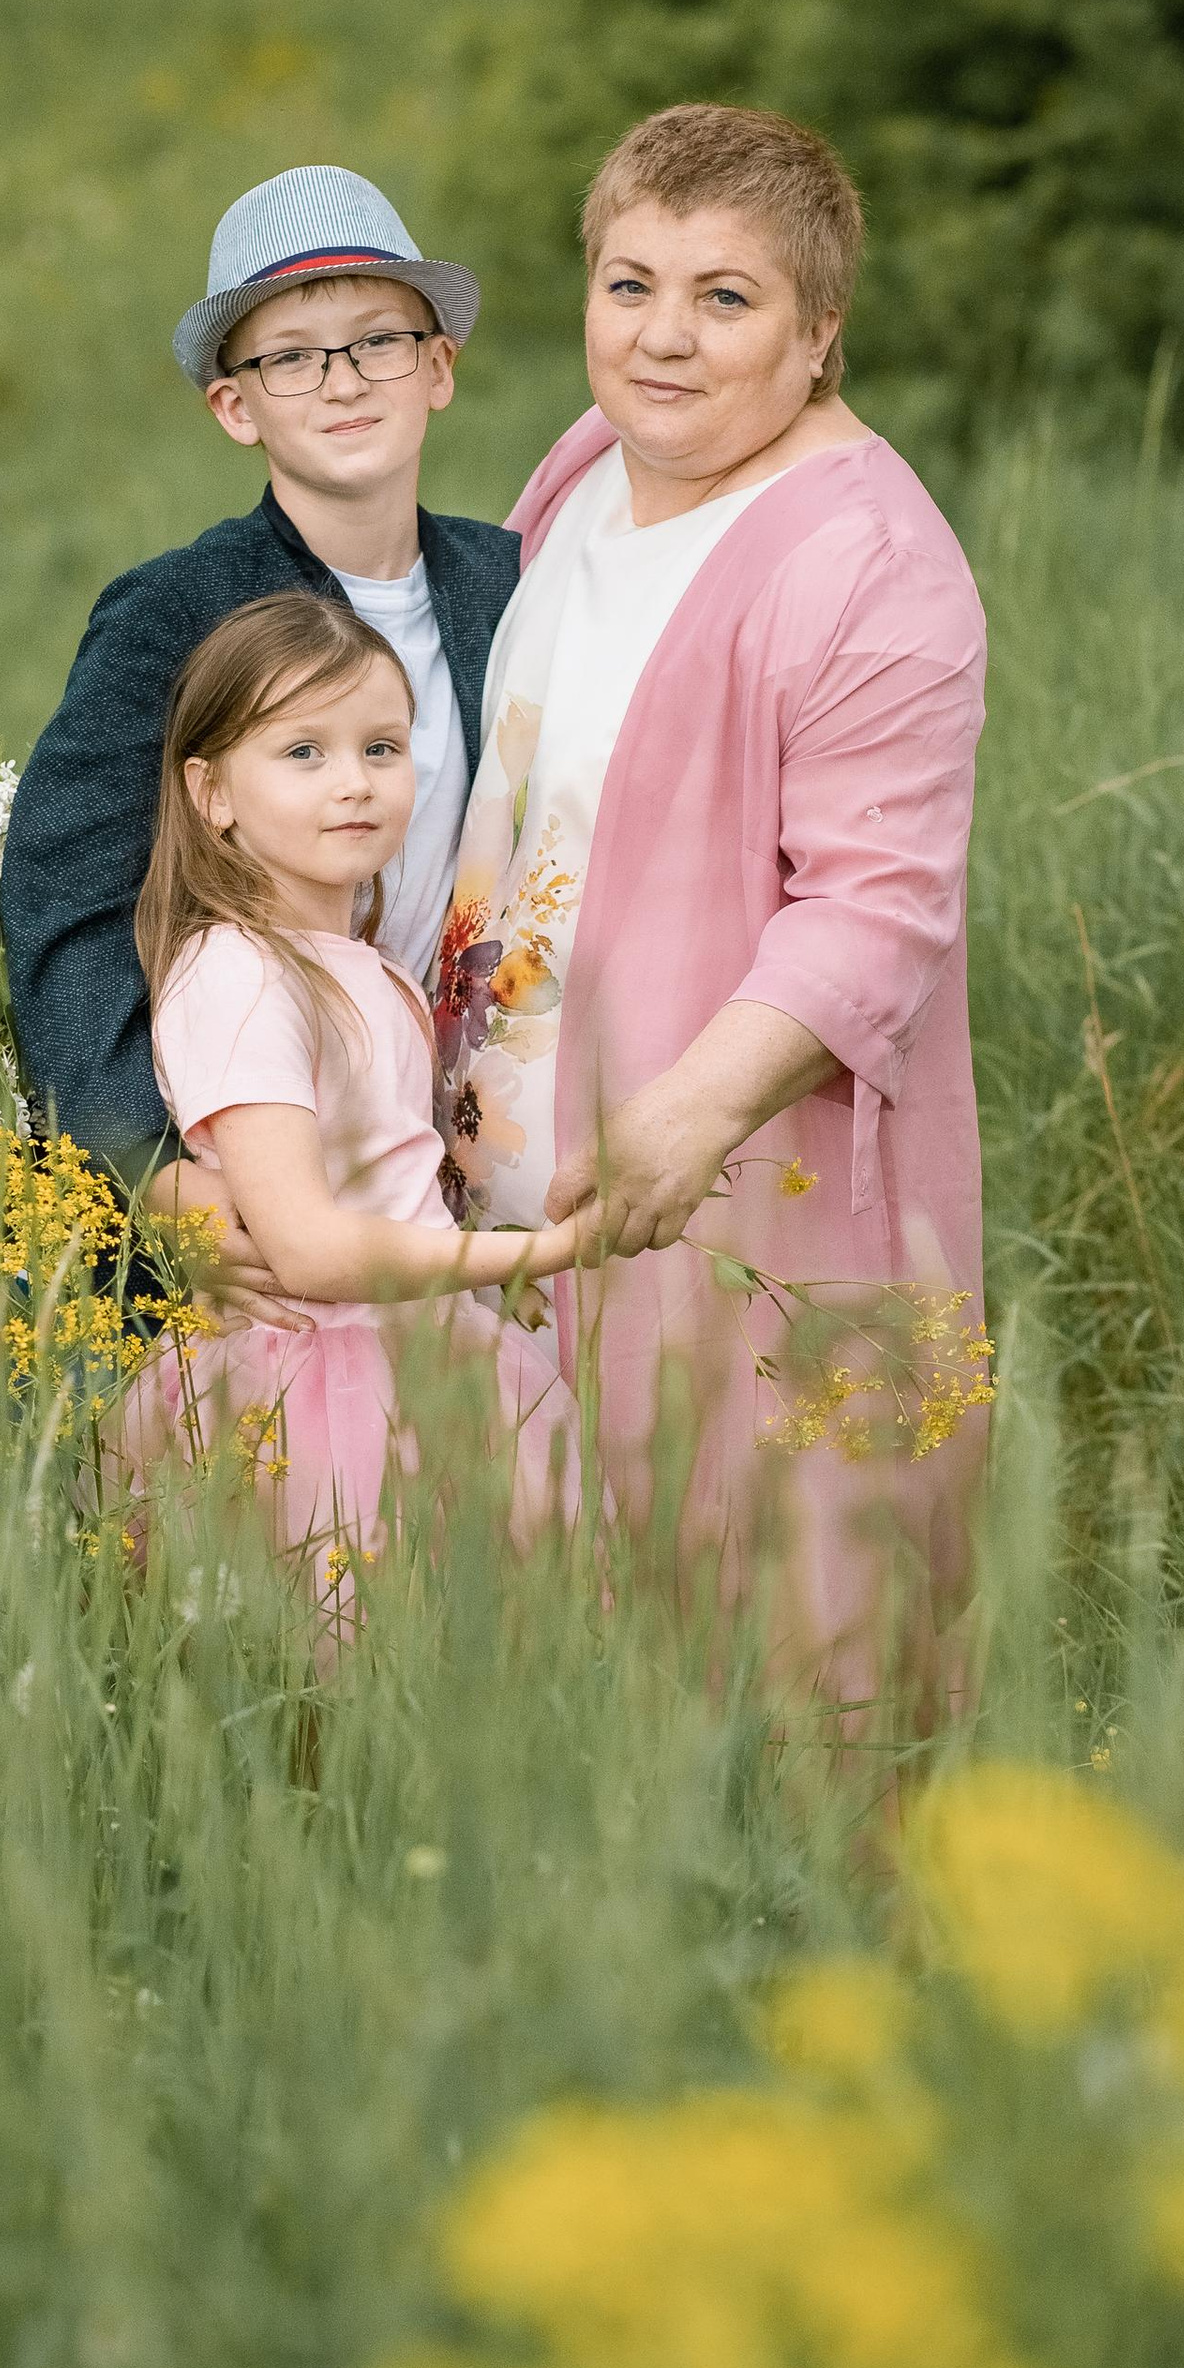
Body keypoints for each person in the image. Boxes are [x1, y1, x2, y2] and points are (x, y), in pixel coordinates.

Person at [434, 103, 990, 1711]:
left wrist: (684, 1118)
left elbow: (873, 915)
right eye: (629, 285)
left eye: (725, 298)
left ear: (820, 334)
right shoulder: (589, 465)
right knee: (558, 1659)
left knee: (794, 1651)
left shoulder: (874, 568)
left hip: (717, 1196)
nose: (662, 340)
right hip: (506, 1206)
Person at [0, 167, 517, 1317]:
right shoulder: (179, 610)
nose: (341, 382)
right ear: (237, 406)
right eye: (290, 356)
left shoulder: (511, 582)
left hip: (469, 1134)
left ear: (438, 368)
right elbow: (68, 898)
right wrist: (150, 1169)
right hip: (277, 1152)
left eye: (377, 340)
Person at [117, 589, 588, 1569]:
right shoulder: (241, 974)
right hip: (319, 1384)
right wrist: (539, 1255)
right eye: (302, 752)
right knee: (336, 1674)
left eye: (381, 747)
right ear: (211, 795)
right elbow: (308, 1249)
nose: (355, 782)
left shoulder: (361, 966)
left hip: (425, 1349)